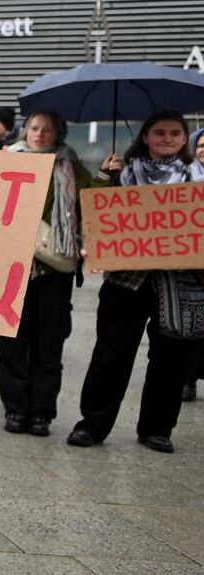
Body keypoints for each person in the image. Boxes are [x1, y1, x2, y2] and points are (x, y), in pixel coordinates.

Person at [68, 113, 200, 453]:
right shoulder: (121, 175)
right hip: (126, 281)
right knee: (111, 353)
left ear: (185, 139)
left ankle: (157, 428)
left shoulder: (198, 179)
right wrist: (104, 178)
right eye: (160, 132)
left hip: (179, 282)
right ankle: (93, 424)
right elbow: (96, 216)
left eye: (175, 133)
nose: (167, 138)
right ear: (145, 137)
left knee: (172, 357)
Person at [0, 109, 90, 438]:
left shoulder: (71, 166)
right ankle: (15, 409)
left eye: (47, 129)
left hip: (54, 272)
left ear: (58, 133)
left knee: (48, 344)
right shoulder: (8, 161)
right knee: (11, 343)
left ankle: (41, 413)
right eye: (34, 128)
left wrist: (112, 174)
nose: (39, 134)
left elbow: (96, 201)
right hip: (13, 270)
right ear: (25, 131)